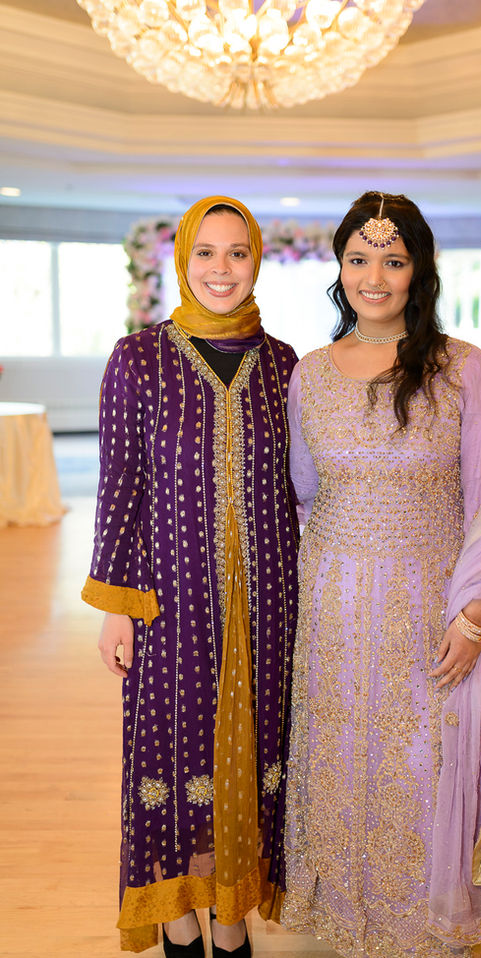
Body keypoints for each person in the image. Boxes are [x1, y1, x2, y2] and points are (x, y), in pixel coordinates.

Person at [282, 192, 481, 956]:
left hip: (433, 607)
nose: (375, 276)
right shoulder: (310, 374)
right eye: (360, 258)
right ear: (340, 268)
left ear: (418, 270)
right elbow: (300, 494)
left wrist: (476, 614)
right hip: (329, 608)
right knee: (336, 754)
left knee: (426, 759)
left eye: (393, 260)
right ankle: (341, 908)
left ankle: (428, 916)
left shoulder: (463, 368)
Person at [82, 196, 299, 956]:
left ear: (256, 261)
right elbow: (119, 490)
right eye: (205, 252)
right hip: (168, 602)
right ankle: (177, 915)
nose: (221, 268)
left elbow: (304, 489)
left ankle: (232, 914)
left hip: (270, 602)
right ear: (182, 259)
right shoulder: (136, 360)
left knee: (255, 749)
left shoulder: (283, 365)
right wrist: (115, 608)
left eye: (237, 252)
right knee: (170, 753)